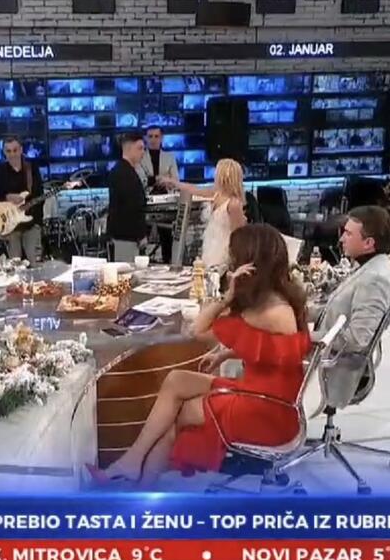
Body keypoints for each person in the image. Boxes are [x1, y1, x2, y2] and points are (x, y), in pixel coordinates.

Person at [87, 224, 311, 487]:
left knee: (179, 416)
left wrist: (227, 296)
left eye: (234, 258)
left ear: (251, 264)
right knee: (177, 380)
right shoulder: (274, 300)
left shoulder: (270, 311)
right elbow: (272, 351)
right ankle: (133, 463)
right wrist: (225, 355)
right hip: (264, 392)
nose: (230, 264)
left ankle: (137, 483)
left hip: (269, 410)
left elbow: (198, 330)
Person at [312, 206, 390, 408]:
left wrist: (308, 338)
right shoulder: (366, 266)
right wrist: (297, 310)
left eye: (348, 234)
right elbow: (337, 309)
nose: (341, 239)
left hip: (336, 368)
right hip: (327, 356)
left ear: (368, 243)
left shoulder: (375, 280)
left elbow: (357, 339)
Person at [160, 158, 247, 270]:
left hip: (224, 255)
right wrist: (174, 183)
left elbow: (240, 237)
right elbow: (193, 189)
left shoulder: (234, 204)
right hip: (210, 250)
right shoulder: (215, 194)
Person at [0, 137, 44, 265]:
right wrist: (7, 198)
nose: (12, 154)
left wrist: (34, 218)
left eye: (15, 150)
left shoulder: (31, 169)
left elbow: (39, 195)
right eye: (8, 151)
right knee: (14, 265)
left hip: (31, 223)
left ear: (21, 150)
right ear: (4, 152)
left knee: (34, 263)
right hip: (11, 225)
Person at [136, 126, 179, 263]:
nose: (153, 140)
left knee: (167, 236)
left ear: (161, 138)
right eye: (150, 136)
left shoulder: (169, 157)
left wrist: (165, 181)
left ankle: (168, 262)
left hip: (166, 203)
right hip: (145, 203)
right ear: (146, 138)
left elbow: (175, 181)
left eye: (156, 136)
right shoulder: (140, 157)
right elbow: (140, 180)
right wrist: (158, 179)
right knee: (142, 237)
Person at [107, 132, 147, 262]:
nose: (143, 153)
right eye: (140, 148)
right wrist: (141, 234)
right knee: (126, 271)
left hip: (126, 237)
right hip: (126, 238)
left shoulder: (125, 170)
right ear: (129, 149)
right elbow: (132, 207)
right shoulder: (123, 174)